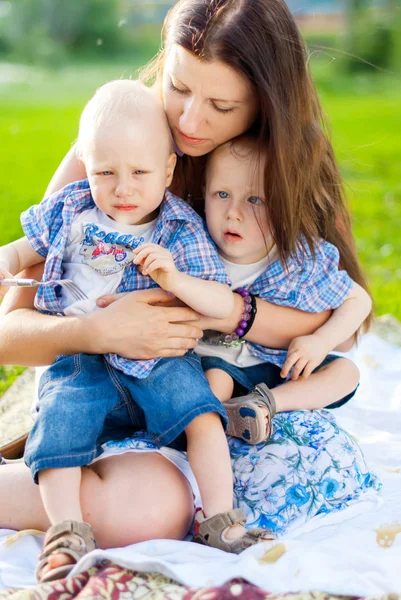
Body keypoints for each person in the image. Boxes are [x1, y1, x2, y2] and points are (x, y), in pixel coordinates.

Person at [0, 0, 378, 585]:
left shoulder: (278, 168)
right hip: (107, 380)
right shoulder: (114, 150)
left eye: (222, 105)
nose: (191, 120)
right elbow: (11, 332)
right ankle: (53, 496)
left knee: (237, 475)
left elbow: (331, 323)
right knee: (146, 508)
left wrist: (223, 310)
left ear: (266, 106)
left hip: (229, 391)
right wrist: (94, 331)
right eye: (177, 88)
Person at [0, 80, 275, 578]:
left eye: (139, 173)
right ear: (86, 164)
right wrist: (7, 259)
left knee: (202, 415)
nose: (122, 188)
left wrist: (173, 277)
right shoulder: (71, 208)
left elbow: (219, 299)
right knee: (57, 424)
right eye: (105, 172)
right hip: (83, 359)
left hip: (159, 360)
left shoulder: (179, 227)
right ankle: (65, 532)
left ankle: (220, 519)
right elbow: (25, 250)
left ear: (168, 170)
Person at [196, 135, 371, 444]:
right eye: (221, 194)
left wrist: (320, 341)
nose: (233, 212)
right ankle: (220, 421)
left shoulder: (296, 258)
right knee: (215, 383)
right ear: (203, 193)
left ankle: (265, 405)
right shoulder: (194, 249)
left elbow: (358, 300)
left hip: (278, 366)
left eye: (254, 200)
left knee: (346, 373)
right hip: (216, 362)